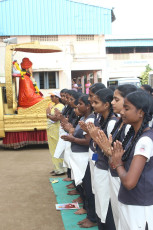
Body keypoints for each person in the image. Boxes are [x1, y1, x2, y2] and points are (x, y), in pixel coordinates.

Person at [111, 91, 153, 230]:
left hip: (139, 208)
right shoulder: (133, 136)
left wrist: (118, 163)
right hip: (129, 202)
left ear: (140, 112)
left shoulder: (145, 140)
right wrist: (116, 161)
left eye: (127, 108)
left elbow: (129, 182)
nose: (122, 111)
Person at [87, 88, 117, 230]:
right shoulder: (101, 119)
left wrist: (94, 137)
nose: (92, 105)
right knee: (99, 202)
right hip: (99, 165)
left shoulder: (111, 123)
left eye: (96, 102)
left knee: (105, 205)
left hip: (105, 169)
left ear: (106, 105)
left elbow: (109, 150)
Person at [46, 91, 65, 176]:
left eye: (52, 96)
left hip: (56, 131)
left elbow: (56, 118)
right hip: (52, 131)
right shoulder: (55, 106)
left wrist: (48, 114)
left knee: (57, 150)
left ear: (57, 97)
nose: (51, 98)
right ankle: (57, 167)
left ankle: (60, 169)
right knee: (53, 150)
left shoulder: (60, 106)